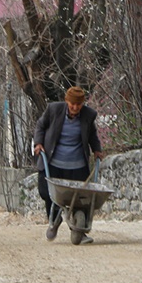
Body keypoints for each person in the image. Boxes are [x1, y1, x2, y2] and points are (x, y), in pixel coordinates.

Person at [33, 86, 105, 242]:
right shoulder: (54, 110)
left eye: (78, 104)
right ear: (67, 101)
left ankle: (79, 231)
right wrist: (38, 143)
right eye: (72, 104)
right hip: (53, 162)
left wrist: (97, 149)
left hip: (77, 165)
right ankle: (55, 219)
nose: (75, 107)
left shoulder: (88, 115)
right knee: (47, 193)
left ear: (82, 104)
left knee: (81, 199)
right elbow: (40, 126)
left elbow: (92, 135)